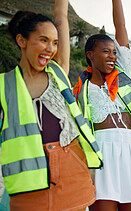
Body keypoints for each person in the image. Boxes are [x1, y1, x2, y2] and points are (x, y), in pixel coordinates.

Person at [0, 0, 103, 210]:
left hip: (71, 168)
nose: (51, 49)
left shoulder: (59, 72)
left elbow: (61, 17)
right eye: (44, 40)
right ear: (22, 40)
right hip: (27, 179)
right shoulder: (3, 84)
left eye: (55, 42)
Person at [72, 0, 131, 210]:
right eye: (105, 52)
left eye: (114, 52)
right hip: (102, 152)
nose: (112, 56)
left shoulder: (123, 76)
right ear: (90, 55)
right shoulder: (81, 89)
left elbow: (121, 28)